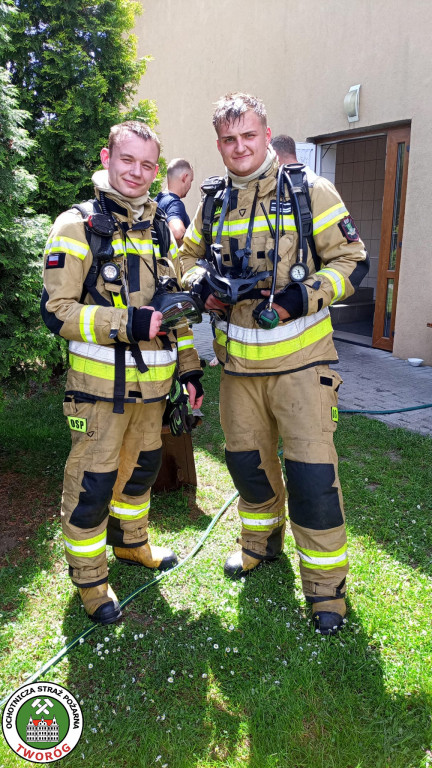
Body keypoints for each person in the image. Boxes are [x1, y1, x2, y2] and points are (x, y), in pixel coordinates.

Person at [180, 93, 369, 635]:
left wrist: (298, 298)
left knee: (312, 480)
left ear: (267, 135)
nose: (239, 148)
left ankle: (326, 591)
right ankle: (259, 546)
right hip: (238, 372)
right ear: (219, 144)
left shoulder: (310, 190)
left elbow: (352, 261)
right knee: (248, 468)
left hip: (302, 368)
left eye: (248, 136)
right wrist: (201, 285)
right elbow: (186, 257)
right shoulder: (213, 202)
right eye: (228, 140)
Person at [41, 121, 203, 626]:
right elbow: (56, 311)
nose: (137, 172)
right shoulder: (77, 225)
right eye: (127, 160)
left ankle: (132, 545)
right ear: (108, 157)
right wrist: (122, 323)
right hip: (98, 395)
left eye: (147, 164)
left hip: (152, 394)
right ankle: (90, 582)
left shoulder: (159, 228)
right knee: (91, 487)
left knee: (139, 476)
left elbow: (173, 310)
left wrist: (191, 373)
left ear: (157, 169)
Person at [156, 158, 194, 246]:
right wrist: (193, 250)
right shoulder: (174, 203)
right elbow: (177, 232)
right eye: (190, 180)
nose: (190, 185)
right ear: (184, 178)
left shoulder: (157, 200)